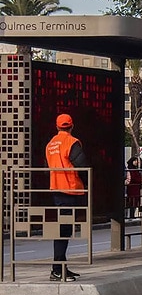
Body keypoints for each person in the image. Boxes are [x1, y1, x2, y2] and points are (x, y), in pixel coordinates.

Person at [45, 113, 88, 282]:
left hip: (56, 189)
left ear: (56, 126)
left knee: (62, 229)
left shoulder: (50, 144)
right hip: (70, 189)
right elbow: (82, 165)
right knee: (64, 230)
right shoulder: (72, 142)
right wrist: (88, 184)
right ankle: (57, 269)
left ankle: (61, 267)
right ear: (71, 126)